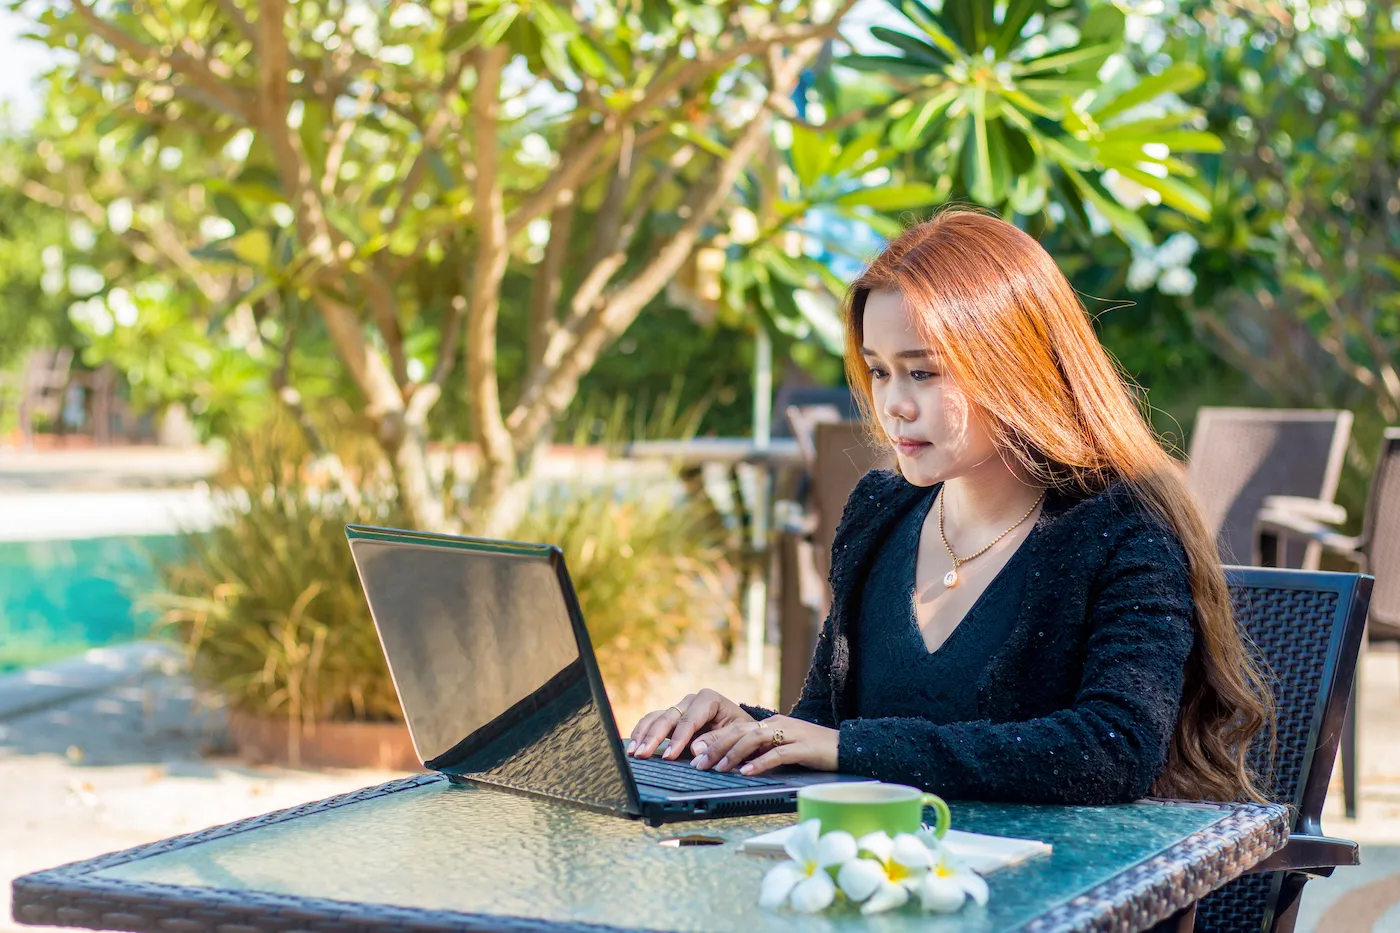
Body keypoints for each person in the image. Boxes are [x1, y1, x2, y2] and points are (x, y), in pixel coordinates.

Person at [626, 209, 1271, 805]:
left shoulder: (1124, 528)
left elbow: (1112, 749)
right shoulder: (880, 512)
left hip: (1063, 897)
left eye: (923, 372)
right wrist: (745, 730)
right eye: (878, 371)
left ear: (1014, 367)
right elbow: (828, 724)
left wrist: (850, 749)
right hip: (892, 882)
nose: (893, 405)